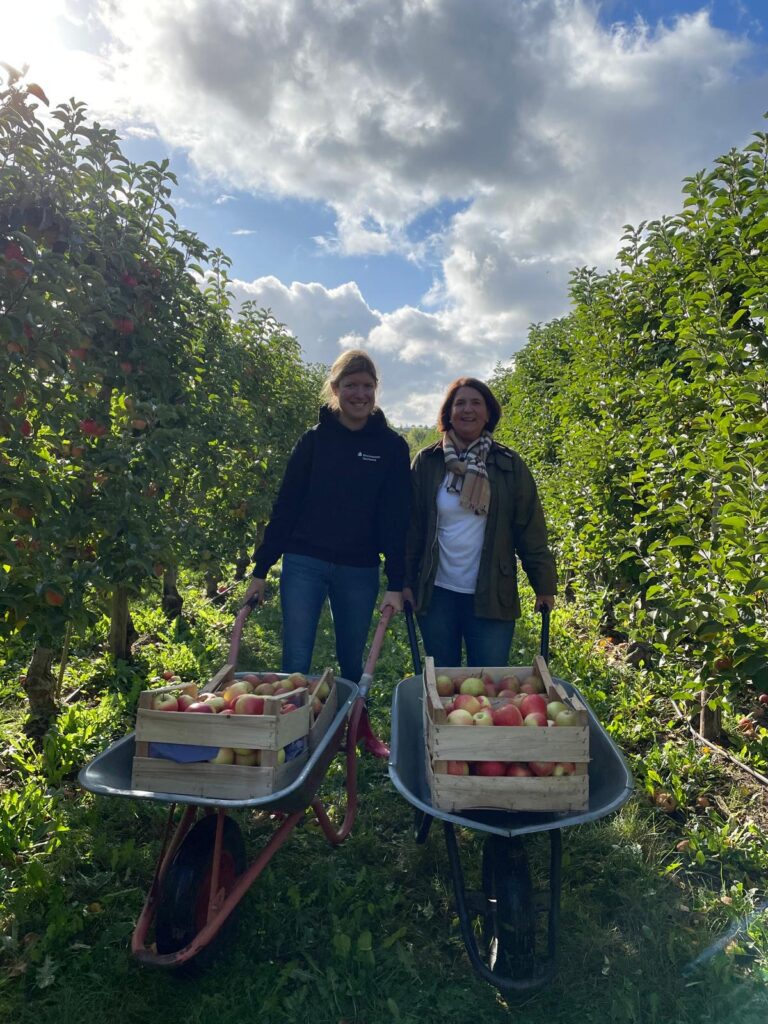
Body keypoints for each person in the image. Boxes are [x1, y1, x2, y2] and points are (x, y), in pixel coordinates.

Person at [244, 349, 410, 754]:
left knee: (353, 658)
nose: (360, 393)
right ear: (335, 390)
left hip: (359, 567)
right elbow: (287, 505)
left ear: (376, 391)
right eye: (351, 385)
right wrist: (261, 568)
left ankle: (356, 729)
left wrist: (397, 582)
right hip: (304, 562)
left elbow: (396, 519)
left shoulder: (390, 447)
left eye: (367, 386)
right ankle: (291, 736)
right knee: (296, 654)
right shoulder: (314, 441)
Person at [403, 377, 556, 667]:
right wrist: (405, 582)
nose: (467, 410)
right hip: (436, 594)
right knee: (442, 682)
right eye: (459, 403)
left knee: (489, 684)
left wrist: (544, 586)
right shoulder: (428, 462)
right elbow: (412, 528)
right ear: (448, 413)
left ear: (489, 413)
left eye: (476, 403)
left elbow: (531, 530)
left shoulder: (509, 465)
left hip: (492, 594)